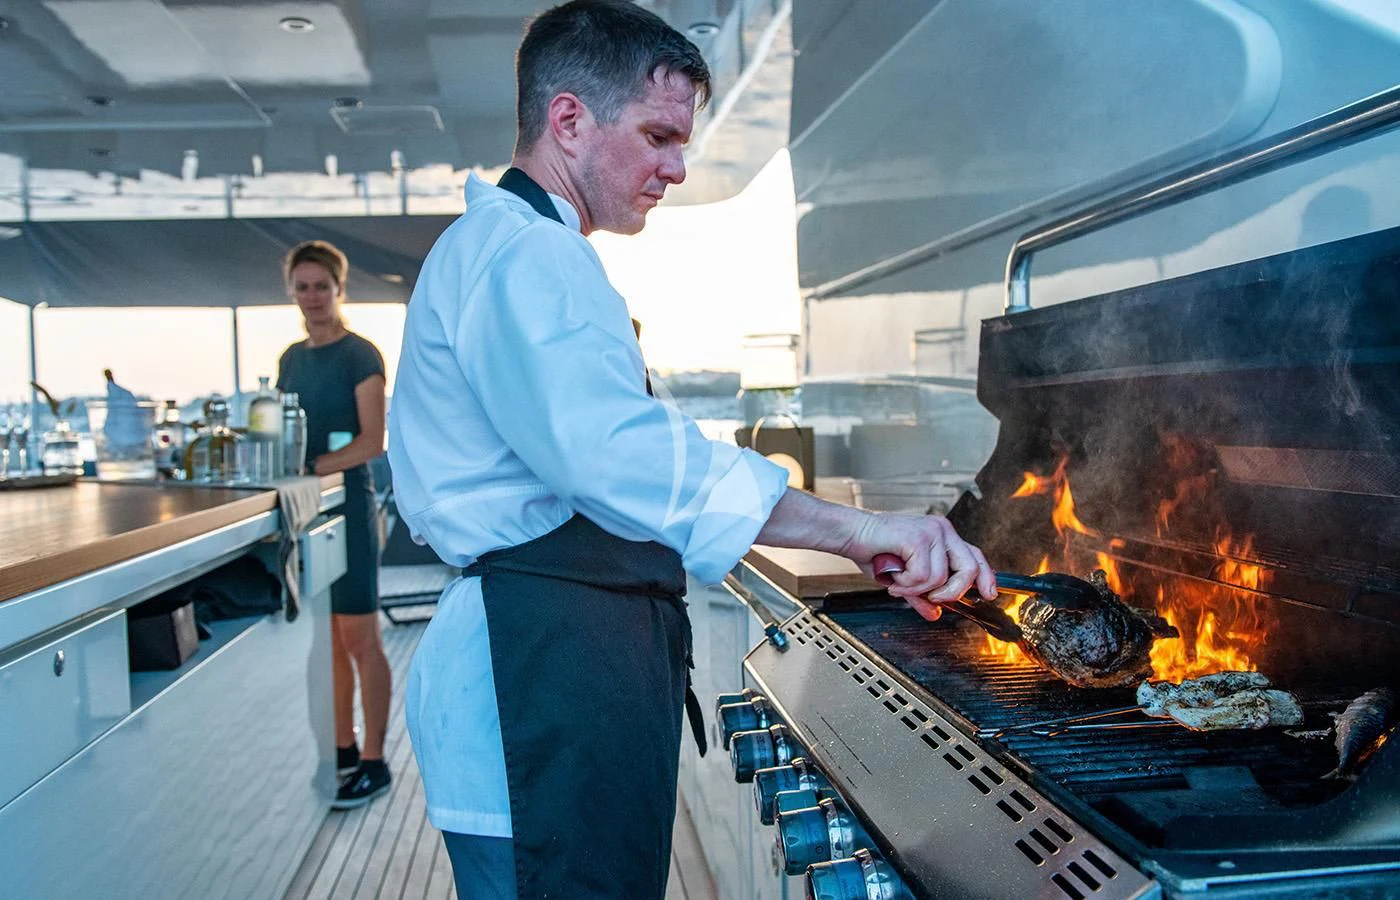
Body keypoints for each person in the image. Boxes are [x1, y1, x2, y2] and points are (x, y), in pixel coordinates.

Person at [387, 2, 996, 897]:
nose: (676, 167)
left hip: (556, 671)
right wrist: (857, 531)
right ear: (568, 119)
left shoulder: (523, 251)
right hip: (535, 683)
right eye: (659, 135)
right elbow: (619, 457)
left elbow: (635, 449)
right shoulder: (525, 256)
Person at [277, 240, 394, 810]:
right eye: (302, 287)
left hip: (347, 505)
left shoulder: (360, 354)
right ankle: (343, 749)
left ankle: (375, 760)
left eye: (321, 285)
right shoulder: (291, 359)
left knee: (359, 638)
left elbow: (373, 442)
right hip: (308, 511)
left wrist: (312, 467)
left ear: (339, 289)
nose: (312, 297)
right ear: (292, 292)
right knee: (328, 638)